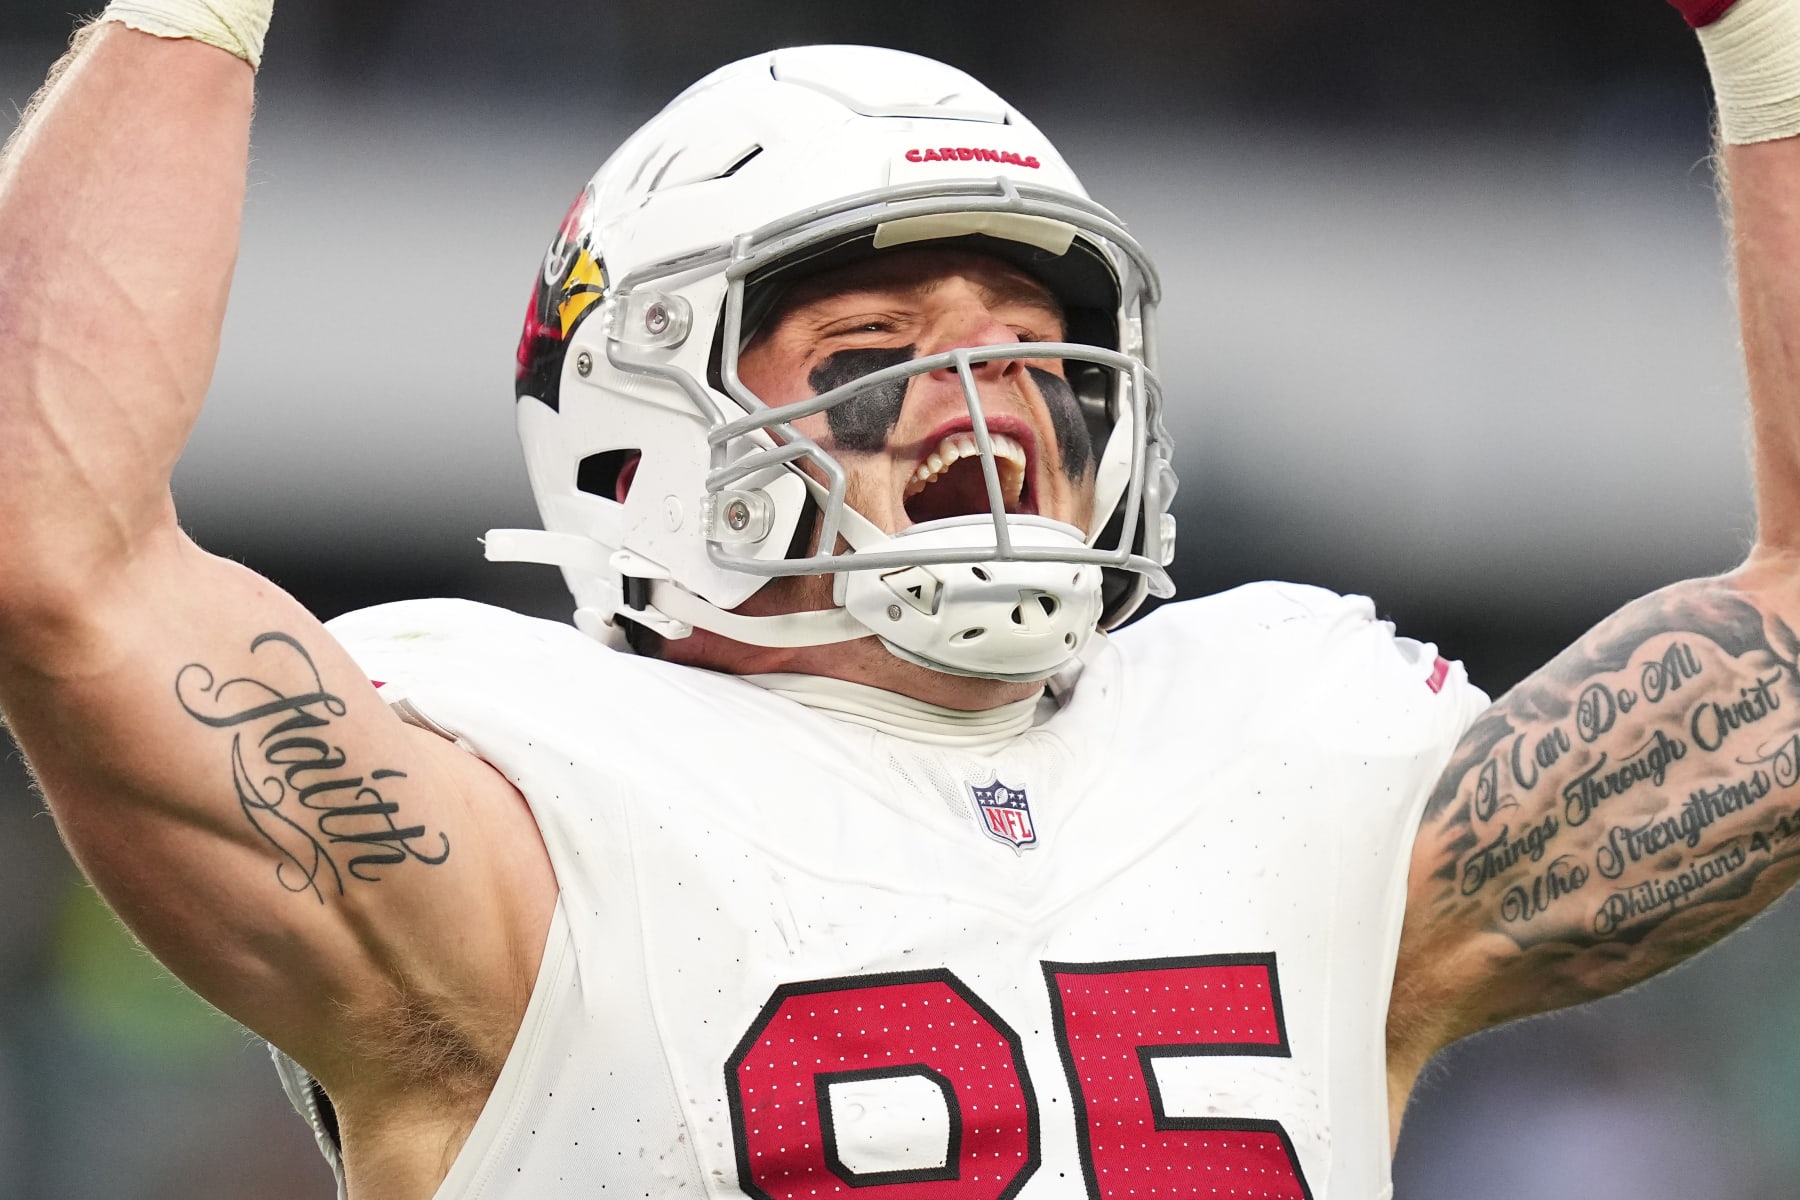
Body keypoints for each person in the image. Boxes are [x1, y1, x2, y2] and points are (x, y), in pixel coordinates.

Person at [2, 1, 1798, 1197]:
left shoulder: (1286, 747)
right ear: (646, 424)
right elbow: (51, 545)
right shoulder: (522, 807)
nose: (992, 400)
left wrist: (1770, 41)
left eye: (1039, 351)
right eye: (875, 351)